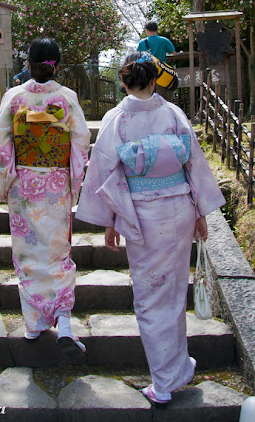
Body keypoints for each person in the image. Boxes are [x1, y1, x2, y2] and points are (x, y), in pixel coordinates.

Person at [76, 51, 225, 405]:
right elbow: (194, 165)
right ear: (155, 80)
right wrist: (201, 211)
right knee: (172, 292)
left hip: (142, 215)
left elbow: (105, 174)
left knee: (150, 297)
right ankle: (176, 368)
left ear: (123, 82)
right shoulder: (173, 114)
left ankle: (164, 382)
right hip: (180, 208)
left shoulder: (118, 119)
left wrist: (111, 221)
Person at [0, 38, 91, 358]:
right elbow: (81, 143)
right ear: (56, 65)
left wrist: (7, 174)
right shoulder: (67, 98)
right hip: (56, 183)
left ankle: (33, 324)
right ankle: (64, 322)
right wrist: (74, 182)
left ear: (28, 64)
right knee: (58, 252)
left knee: (28, 255)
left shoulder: (15, 97)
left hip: (24, 185)